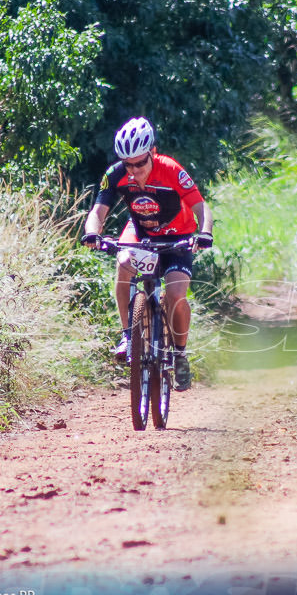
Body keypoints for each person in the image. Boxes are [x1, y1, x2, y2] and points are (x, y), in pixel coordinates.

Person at [81, 117, 213, 391]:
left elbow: (201, 207)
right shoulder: (115, 173)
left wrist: (205, 233)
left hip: (179, 236)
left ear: (152, 153)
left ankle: (179, 354)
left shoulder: (171, 170)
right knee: (124, 262)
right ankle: (129, 335)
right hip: (141, 233)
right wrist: (93, 233)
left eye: (140, 163)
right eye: (129, 164)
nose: (134, 170)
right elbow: (98, 212)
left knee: (176, 294)